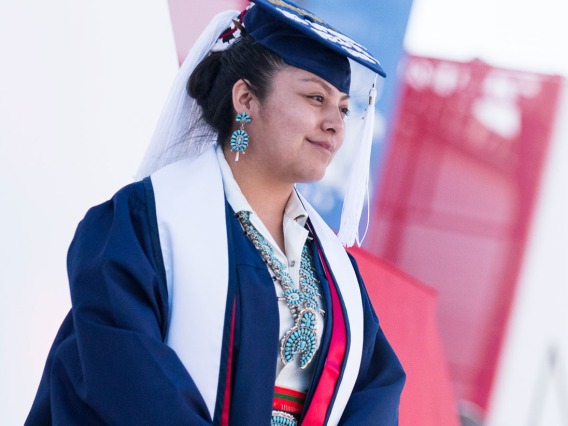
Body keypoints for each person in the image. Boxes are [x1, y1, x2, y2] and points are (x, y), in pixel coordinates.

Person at [26, 0, 405, 424]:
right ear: (245, 98)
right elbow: (130, 383)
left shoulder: (337, 272)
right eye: (315, 97)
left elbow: (374, 393)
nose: (335, 124)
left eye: (342, 107)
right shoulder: (145, 224)